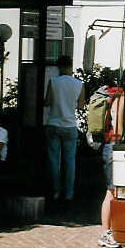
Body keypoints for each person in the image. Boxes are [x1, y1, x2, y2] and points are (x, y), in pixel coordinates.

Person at [44, 55, 85, 202]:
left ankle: (55, 191)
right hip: (70, 125)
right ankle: (69, 193)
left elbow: (47, 102)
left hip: (54, 123)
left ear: (58, 67)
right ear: (71, 66)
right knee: (70, 160)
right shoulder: (79, 84)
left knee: (54, 160)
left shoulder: (53, 82)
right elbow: (81, 106)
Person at [97, 84, 124, 248]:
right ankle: (105, 233)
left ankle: (115, 231)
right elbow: (119, 129)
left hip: (109, 146)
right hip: (115, 147)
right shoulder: (121, 99)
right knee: (112, 191)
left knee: (114, 191)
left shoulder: (115, 97)